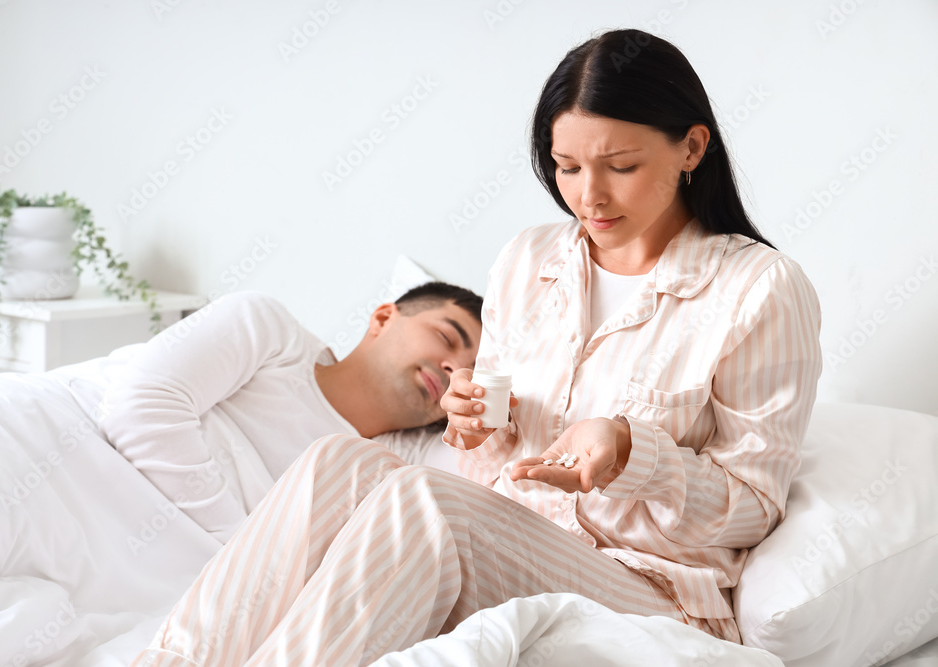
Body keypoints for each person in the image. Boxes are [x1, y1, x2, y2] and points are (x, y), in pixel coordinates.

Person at [132, 28, 822, 666]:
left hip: (650, 590)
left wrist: (632, 452)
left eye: (620, 165)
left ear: (692, 148)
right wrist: (473, 423)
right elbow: (488, 458)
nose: (590, 196)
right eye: (568, 167)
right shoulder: (529, 260)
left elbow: (753, 504)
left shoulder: (758, 290)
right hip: (511, 542)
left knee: (429, 505)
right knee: (338, 460)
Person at [99, 281, 482, 542]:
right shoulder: (270, 334)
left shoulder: (402, 464)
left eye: (472, 371)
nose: (455, 370)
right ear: (383, 319)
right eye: (446, 338)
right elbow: (137, 407)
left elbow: (490, 486)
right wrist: (236, 551)